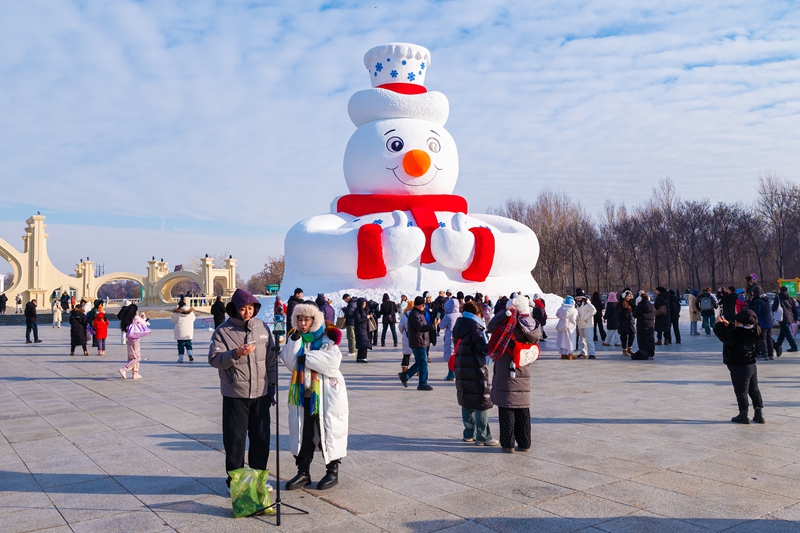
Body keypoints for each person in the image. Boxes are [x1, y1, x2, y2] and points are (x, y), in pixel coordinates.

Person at [208, 289, 277, 488]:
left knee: (261, 439)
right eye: (243, 309)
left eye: (250, 308)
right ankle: (236, 483)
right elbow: (214, 359)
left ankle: (258, 481)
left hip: (260, 394)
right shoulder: (223, 331)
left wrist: (271, 385)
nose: (247, 312)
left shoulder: (262, 327)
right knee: (235, 441)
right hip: (235, 394)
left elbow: (271, 359)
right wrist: (235, 353)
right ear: (234, 309)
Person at [281, 303, 348, 491]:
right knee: (303, 432)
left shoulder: (327, 337)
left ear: (314, 320)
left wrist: (307, 358)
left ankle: (332, 471)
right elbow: (290, 362)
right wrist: (294, 342)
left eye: (306, 320)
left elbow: (333, 362)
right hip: (303, 394)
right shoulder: (296, 338)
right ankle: (303, 472)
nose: (303, 324)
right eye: (300, 320)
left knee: (329, 430)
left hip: (326, 393)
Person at [487, 294, 539, 453]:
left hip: (506, 372)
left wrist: (504, 314)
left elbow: (491, 326)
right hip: (523, 371)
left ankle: (508, 444)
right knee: (523, 409)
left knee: (506, 409)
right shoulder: (532, 325)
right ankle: (524, 443)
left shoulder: (507, 326)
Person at [453, 300, 498, 446]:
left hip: (461, 369)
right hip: (475, 369)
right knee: (481, 402)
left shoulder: (459, 326)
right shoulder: (475, 330)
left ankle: (468, 433)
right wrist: (493, 341)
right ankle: (483, 437)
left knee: (467, 401)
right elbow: (483, 350)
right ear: (476, 314)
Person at [714, 310, 764, 424]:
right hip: (751, 365)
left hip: (738, 366)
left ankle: (743, 415)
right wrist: (729, 324)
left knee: (741, 392)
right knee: (754, 390)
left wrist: (719, 324)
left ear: (740, 322)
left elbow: (723, 335)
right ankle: (759, 414)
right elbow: (739, 331)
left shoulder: (736, 334)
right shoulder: (754, 330)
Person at [398, 296, 439, 391]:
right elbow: (420, 328)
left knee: (420, 362)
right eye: (423, 305)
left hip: (421, 341)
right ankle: (422, 383)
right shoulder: (414, 314)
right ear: (418, 305)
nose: (424, 307)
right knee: (423, 363)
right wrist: (433, 326)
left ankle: (405, 375)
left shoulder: (419, 313)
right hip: (418, 341)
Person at [118, 304, 145, 379]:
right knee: (137, 358)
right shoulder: (135, 318)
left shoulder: (126, 318)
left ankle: (135, 373)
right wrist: (138, 316)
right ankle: (124, 369)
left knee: (131, 357)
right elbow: (144, 323)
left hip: (129, 339)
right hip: (135, 339)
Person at [749, 286, 774, 360]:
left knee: (762, 338)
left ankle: (764, 354)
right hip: (768, 320)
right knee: (769, 338)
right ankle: (770, 354)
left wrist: (751, 303)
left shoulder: (757, 300)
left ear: (754, 292)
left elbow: (757, 311)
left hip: (762, 321)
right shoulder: (765, 298)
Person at [772, 286, 798, 356]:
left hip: (782, 317)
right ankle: (778, 345)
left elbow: (774, 308)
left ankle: (794, 346)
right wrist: (795, 318)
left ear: (780, 290)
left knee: (787, 333)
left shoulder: (778, 297)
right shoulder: (790, 298)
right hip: (789, 317)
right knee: (783, 332)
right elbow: (794, 309)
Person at [439, 298, 461, 381]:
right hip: (458, 337)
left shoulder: (448, 316)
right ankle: (456, 373)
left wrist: (439, 321)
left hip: (450, 337)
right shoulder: (460, 315)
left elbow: (441, 326)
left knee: (450, 355)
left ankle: (451, 373)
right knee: (456, 355)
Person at [574, 290, 596, 359]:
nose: (578, 299)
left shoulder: (587, 304)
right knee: (582, 340)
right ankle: (583, 352)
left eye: (579, 298)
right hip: (580, 325)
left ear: (583, 298)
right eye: (577, 298)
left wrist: (586, 318)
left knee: (589, 340)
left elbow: (593, 310)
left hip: (588, 325)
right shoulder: (577, 306)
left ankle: (592, 353)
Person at [353, 297, 372, 363]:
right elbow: (358, 320)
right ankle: (363, 357)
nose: (364, 305)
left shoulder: (366, 310)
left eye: (365, 303)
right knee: (364, 343)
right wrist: (366, 317)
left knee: (362, 343)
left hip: (365, 328)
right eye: (363, 304)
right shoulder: (357, 311)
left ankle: (359, 357)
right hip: (360, 329)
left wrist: (370, 316)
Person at [617, 290, 636, 356]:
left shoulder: (630, 303)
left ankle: (629, 348)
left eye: (629, 296)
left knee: (632, 335)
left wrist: (632, 303)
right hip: (623, 322)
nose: (628, 297)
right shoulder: (620, 304)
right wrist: (624, 310)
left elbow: (635, 309)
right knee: (624, 336)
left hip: (630, 322)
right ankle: (624, 349)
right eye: (627, 296)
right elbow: (618, 311)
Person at [397, 301, 413, 373]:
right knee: (418, 355)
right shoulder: (417, 314)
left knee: (406, 354)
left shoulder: (404, 315)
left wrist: (404, 332)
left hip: (406, 336)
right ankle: (418, 370)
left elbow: (400, 327)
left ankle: (404, 370)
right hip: (416, 337)